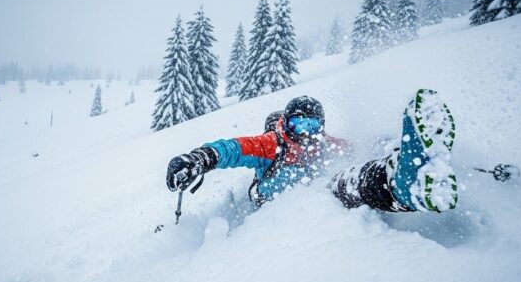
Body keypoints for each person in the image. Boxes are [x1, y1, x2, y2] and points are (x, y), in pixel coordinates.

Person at [166, 89, 458, 213]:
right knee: (318, 181)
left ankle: (400, 176)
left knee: (341, 180)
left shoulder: (325, 144)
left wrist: (383, 143)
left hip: (316, 193)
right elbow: (231, 149)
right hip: (269, 194)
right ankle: (394, 181)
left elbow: (356, 147)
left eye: (312, 124)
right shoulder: (271, 143)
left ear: (322, 125)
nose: (305, 132)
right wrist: (198, 159)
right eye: (298, 123)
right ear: (285, 123)